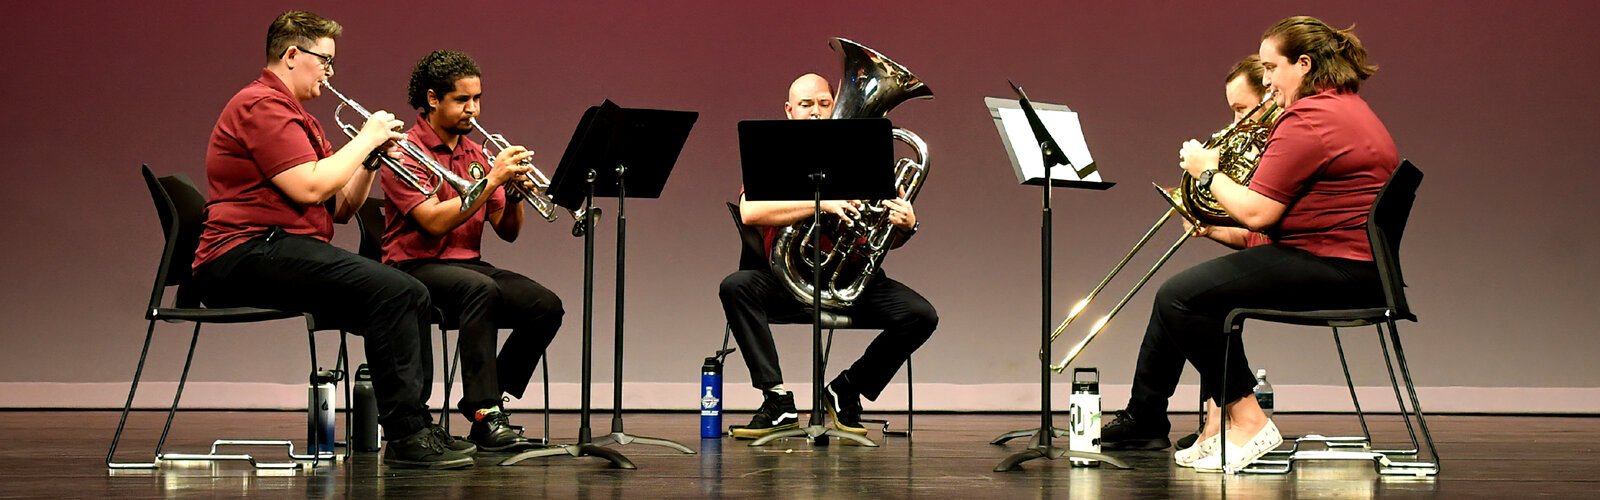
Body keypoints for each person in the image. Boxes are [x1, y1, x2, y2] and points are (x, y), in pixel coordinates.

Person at [189, 11, 474, 469]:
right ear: (291, 55)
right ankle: (407, 436)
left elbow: (340, 207)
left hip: (280, 248)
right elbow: (310, 188)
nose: (330, 72)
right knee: (396, 290)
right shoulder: (260, 105)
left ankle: (415, 425)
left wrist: (371, 160)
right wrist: (364, 139)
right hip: (243, 253)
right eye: (324, 60)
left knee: (408, 294)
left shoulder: (301, 117)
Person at [1156, 16, 1396, 472]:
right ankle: (1221, 424)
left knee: (1180, 297)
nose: (1265, 82)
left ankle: (1246, 420)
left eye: (1270, 68)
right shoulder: (1346, 107)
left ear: (1303, 64)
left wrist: (1206, 170)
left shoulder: (1309, 116)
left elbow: (1257, 213)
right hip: (1350, 267)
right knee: (1196, 295)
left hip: (1335, 268)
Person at [718, 73, 937, 439]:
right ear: (789, 111)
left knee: (920, 315)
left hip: (847, 281)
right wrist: (820, 204)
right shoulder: (772, 154)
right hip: (784, 281)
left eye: (825, 103)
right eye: (806, 105)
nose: (817, 113)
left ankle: (845, 390)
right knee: (736, 286)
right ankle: (777, 402)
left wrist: (905, 225)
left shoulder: (862, 155)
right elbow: (750, 212)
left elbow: (880, 238)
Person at [379, 50, 562, 452]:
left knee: (545, 305)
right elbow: (432, 222)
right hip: (414, 267)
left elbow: (507, 232)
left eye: (477, 99)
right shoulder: (403, 150)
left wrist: (513, 196)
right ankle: (484, 412)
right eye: (462, 100)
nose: (473, 110)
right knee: (478, 290)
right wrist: (492, 179)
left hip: (468, 266)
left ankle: (490, 397)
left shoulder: (477, 154)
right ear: (432, 98)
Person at [1100, 55, 1273, 452]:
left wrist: (1211, 176)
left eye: (1241, 110)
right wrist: (1213, 227)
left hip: (1299, 265)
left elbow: (1264, 224)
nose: (1234, 123)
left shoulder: (1276, 149)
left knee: (1185, 296)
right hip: (1274, 257)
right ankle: (1147, 414)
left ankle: (1219, 417)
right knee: (1174, 296)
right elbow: (1256, 236)